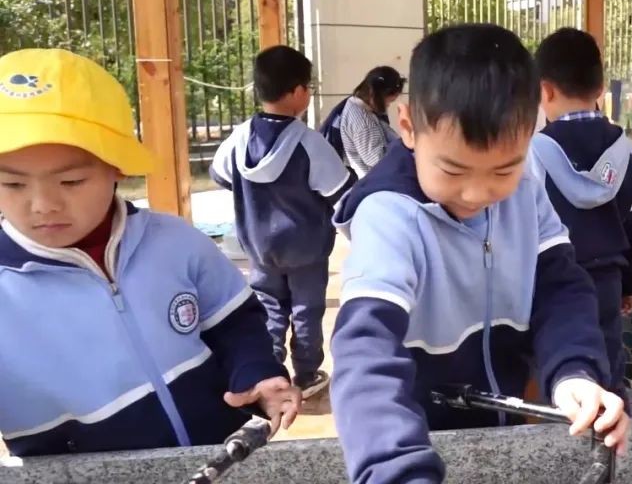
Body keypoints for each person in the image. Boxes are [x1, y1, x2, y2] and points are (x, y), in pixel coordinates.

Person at [329, 24, 630, 484]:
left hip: (504, 420)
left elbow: (559, 288)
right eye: (453, 169)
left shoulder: (526, 190)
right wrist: (394, 469)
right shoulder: (388, 216)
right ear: (408, 127)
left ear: (531, 133)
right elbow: (366, 352)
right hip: (416, 434)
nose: (478, 193)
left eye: (504, 169)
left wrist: (574, 372)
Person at [0, 49, 300, 456]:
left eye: (70, 181)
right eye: (13, 185)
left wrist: (258, 373)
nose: (43, 205)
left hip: (216, 459)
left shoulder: (175, 243)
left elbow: (235, 324)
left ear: (117, 167)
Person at [211, 45, 352, 399]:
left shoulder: (240, 137)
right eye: (308, 87)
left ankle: (271, 374)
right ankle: (306, 375)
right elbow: (339, 190)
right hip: (305, 250)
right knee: (306, 310)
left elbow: (219, 175)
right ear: (295, 92)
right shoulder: (310, 143)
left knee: (268, 307)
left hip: (258, 246)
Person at [528, 28, 632, 403]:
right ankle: (611, 433)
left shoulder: (532, 152)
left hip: (551, 281)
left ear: (544, 90)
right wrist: (630, 281)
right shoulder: (625, 150)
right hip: (607, 279)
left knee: (555, 359)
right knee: (608, 361)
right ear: (600, 88)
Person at [339, 65, 406, 178]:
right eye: (388, 101)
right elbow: (377, 160)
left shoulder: (356, 104)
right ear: (376, 95)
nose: (388, 105)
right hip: (374, 180)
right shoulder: (363, 121)